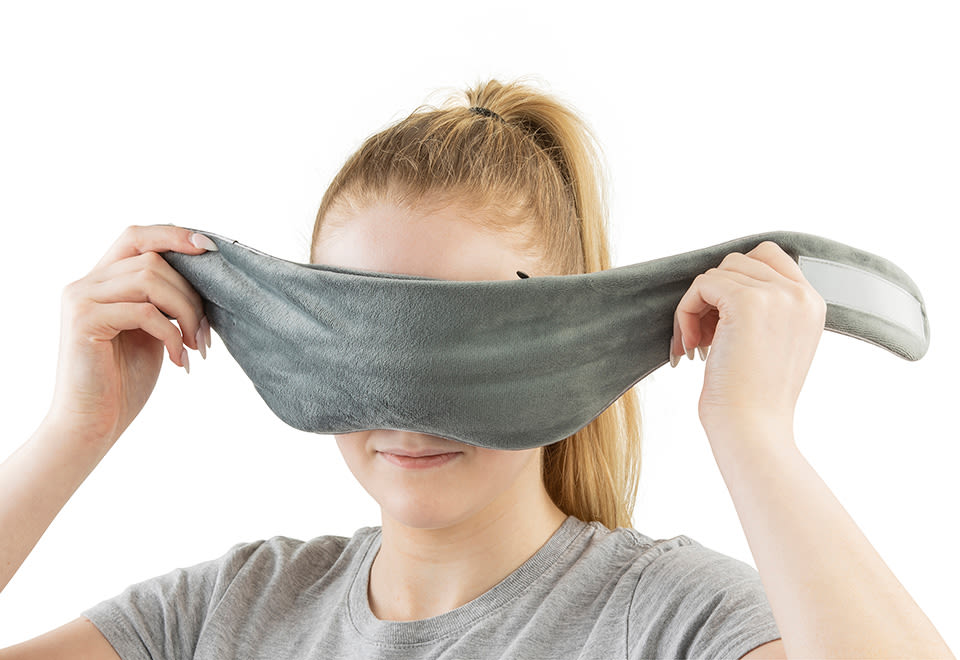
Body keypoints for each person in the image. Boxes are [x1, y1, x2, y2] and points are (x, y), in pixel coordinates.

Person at [0, 77, 952, 659]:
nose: (407, 411)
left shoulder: (669, 622)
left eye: (463, 341)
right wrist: (71, 432)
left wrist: (754, 435)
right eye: (355, 331)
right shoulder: (223, 615)